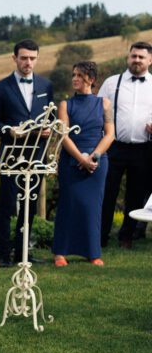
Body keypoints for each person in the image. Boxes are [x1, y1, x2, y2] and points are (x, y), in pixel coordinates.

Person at [0, 39, 54, 266]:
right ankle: (4, 257)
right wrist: (8, 130)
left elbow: (50, 116)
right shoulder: (0, 87)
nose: (28, 62)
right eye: (24, 58)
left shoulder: (46, 86)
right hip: (11, 154)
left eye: (32, 58)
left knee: (30, 206)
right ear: (14, 58)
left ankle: (23, 253)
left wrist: (48, 127)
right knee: (7, 206)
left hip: (37, 154)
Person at [52, 61, 114, 266]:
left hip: (97, 162)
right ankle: (60, 252)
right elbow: (64, 135)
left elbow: (110, 134)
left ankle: (93, 252)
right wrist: (81, 159)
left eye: (80, 75)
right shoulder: (65, 105)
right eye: (73, 75)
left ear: (92, 79)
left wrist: (93, 158)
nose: (75, 79)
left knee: (93, 207)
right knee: (68, 205)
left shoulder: (105, 104)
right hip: (71, 161)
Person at [98, 41, 152, 248]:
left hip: (143, 148)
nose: (136, 60)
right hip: (114, 147)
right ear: (128, 58)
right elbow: (97, 112)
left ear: (150, 60)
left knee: (136, 195)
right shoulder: (112, 83)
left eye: (141, 57)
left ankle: (126, 236)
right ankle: (101, 236)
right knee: (107, 192)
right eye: (133, 56)